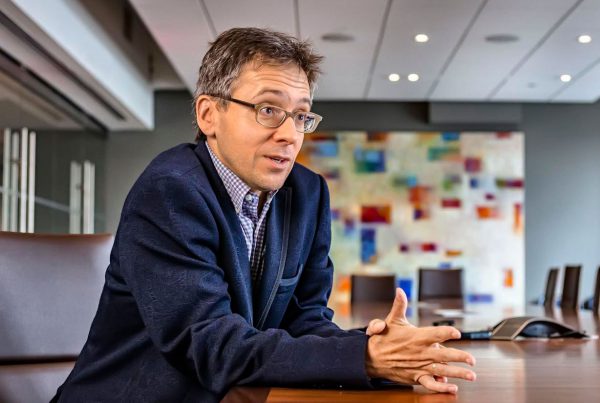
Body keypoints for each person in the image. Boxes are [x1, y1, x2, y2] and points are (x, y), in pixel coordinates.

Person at [52, 27, 475, 402]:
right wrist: (363, 357)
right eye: (268, 110)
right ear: (208, 114)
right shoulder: (169, 192)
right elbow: (211, 344)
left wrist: (386, 354)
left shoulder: (307, 194)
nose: (290, 135)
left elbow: (304, 319)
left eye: (301, 116)